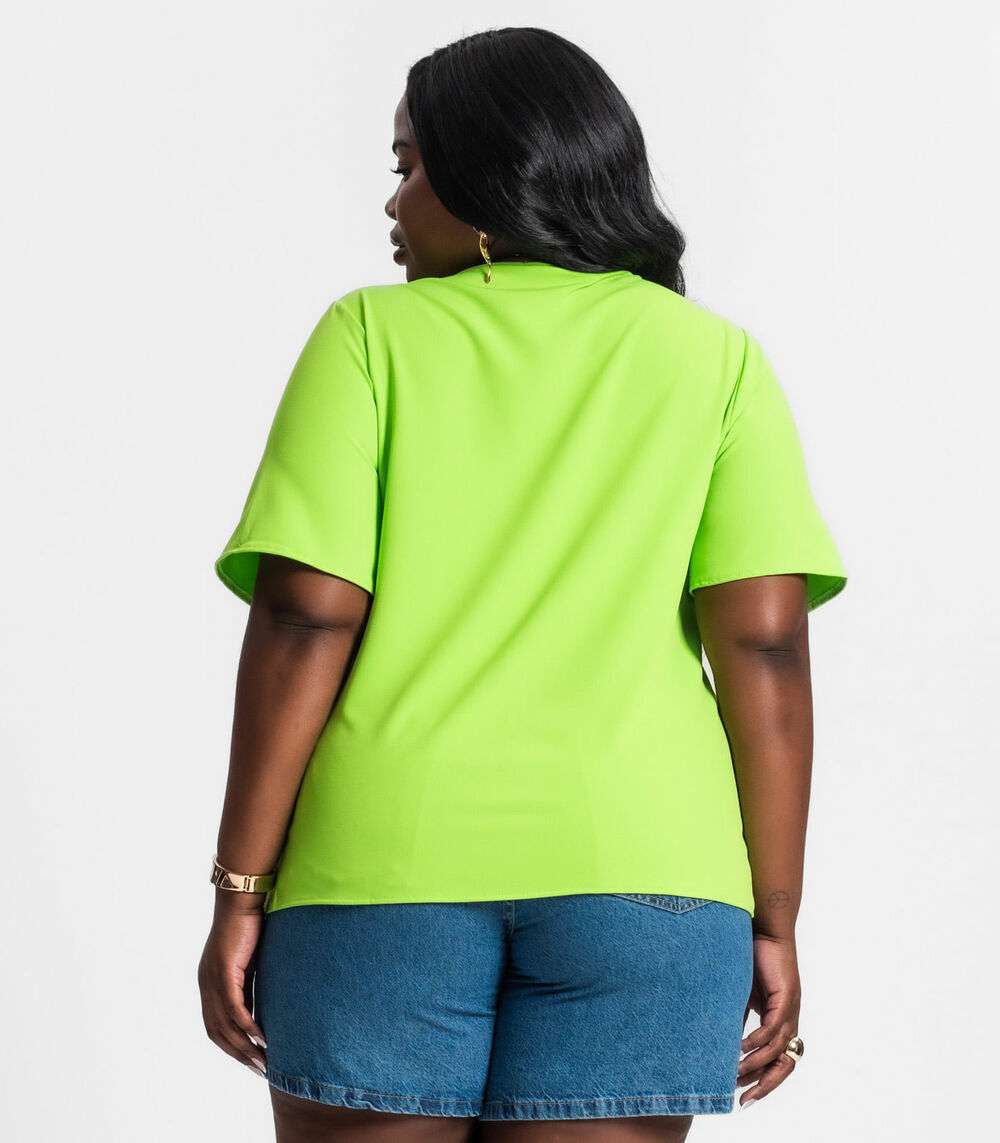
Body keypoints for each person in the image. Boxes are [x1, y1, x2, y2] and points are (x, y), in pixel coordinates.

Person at [198, 25, 846, 1143]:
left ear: (489, 174)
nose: (393, 202)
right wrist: (775, 914)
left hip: (382, 871)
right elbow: (764, 645)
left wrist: (239, 886)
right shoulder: (714, 357)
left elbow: (307, 615)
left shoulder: (369, 336)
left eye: (409, 167)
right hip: (651, 874)